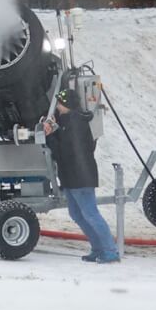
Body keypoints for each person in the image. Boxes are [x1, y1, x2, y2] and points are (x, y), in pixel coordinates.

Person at [42, 85, 119, 263]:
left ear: (66, 104)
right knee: (77, 214)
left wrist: (50, 135)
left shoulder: (74, 123)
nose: (57, 107)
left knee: (90, 213)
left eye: (59, 103)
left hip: (80, 176)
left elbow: (63, 151)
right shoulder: (67, 121)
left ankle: (110, 250)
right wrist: (54, 131)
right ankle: (98, 248)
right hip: (72, 176)